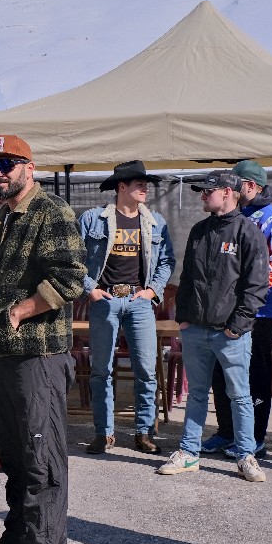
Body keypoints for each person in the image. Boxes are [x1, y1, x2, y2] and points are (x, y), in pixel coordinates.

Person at [0, 135, 86, 544]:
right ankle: (18, 535)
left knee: (42, 456)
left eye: (6, 163)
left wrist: (21, 311)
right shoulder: (5, 215)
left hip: (38, 354)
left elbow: (71, 278)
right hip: (6, 353)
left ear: (29, 167)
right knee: (15, 454)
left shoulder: (51, 211)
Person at [157, 170, 269, 483]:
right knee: (196, 395)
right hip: (195, 329)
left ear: (228, 193)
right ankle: (188, 453)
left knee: (240, 396)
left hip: (229, 333)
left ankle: (246, 456)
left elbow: (257, 285)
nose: (203, 196)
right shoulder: (199, 230)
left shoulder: (248, 232)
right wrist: (184, 317)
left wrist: (238, 325)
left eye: (209, 191)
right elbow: (188, 277)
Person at [78, 160, 175, 456]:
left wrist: (152, 291)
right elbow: (73, 259)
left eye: (146, 184)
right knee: (100, 371)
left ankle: (144, 433)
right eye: (139, 184)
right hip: (105, 300)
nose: (145, 189)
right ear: (122, 187)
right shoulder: (93, 219)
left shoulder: (156, 221)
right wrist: (90, 289)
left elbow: (167, 261)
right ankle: (103, 433)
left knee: (146, 370)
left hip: (138, 302)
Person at [203, 160, 272, 459]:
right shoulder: (233, 216)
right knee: (222, 372)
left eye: (237, 182)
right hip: (225, 312)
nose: (230, 186)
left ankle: (256, 438)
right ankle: (226, 432)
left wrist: (250, 288)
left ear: (251, 186)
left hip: (260, 313)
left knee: (255, 374)